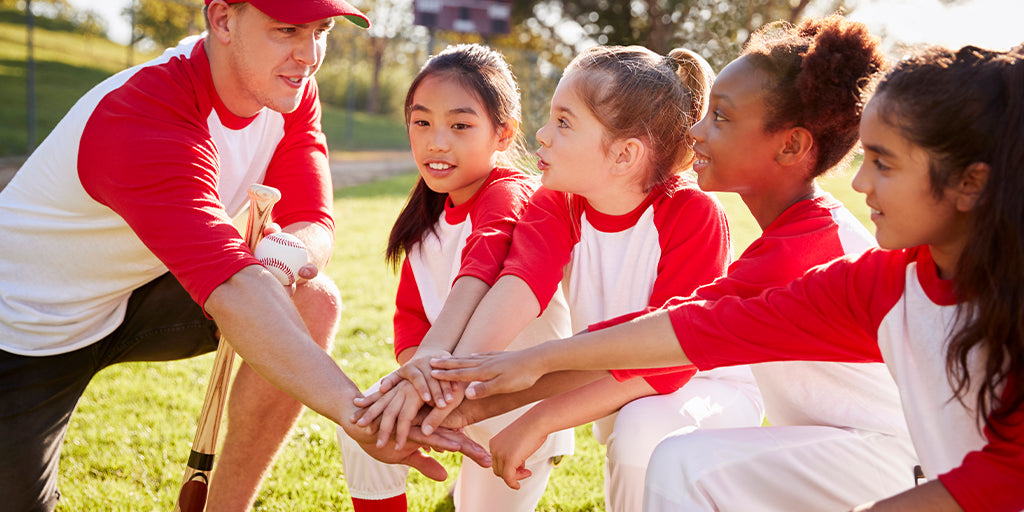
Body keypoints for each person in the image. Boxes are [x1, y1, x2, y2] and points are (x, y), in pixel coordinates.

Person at [432, 44, 1024, 511]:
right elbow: (697, 325)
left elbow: (691, 334)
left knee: (680, 462)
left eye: (721, 117)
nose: (694, 133)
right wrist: (509, 382)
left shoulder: (808, 249)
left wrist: (528, 383)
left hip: (896, 462)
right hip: (870, 457)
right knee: (682, 464)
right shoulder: (875, 276)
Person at [0, 2, 487, 511]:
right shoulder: (144, 114)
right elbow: (232, 287)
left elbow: (315, 223)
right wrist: (354, 410)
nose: (308, 55)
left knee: (311, 299)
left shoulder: (287, 89)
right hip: (24, 328)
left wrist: (291, 255)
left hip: (136, 296)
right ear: (223, 20)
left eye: (320, 31)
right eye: (287, 30)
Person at [366, 44, 765, 512]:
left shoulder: (693, 215)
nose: (542, 134)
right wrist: (447, 386)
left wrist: (539, 419)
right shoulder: (558, 201)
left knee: (640, 434)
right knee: (633, 430)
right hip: (610, 374)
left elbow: (668, 363)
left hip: (703, 388)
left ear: (623, 155)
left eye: (563, 122)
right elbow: (519, 287)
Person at [334, 43, 575, 512]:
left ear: (503, 135)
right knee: (365, 421)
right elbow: (410, 320)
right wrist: (415, 383)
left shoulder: (514, 193)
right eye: (421, 122)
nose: (436, 142)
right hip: (446, 392)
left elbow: (482, 266)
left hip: (520, 410)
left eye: (460, 126)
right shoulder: (423, 221)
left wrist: (427, 373)